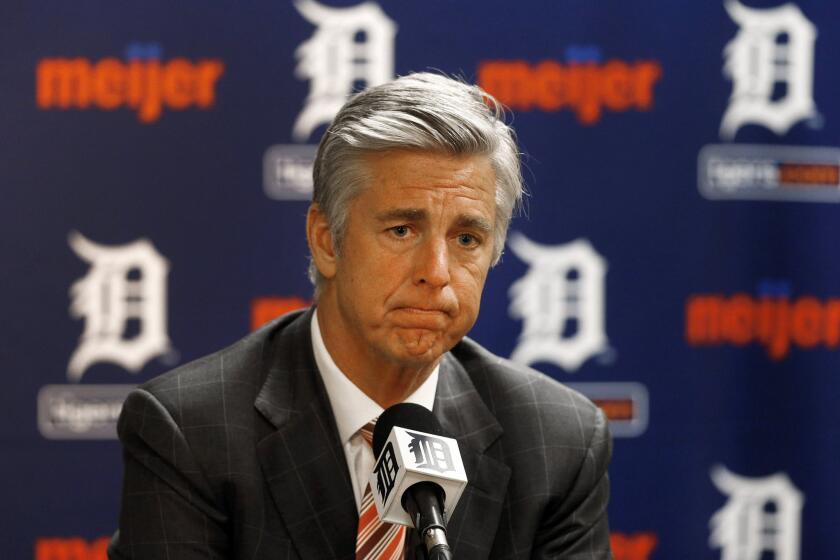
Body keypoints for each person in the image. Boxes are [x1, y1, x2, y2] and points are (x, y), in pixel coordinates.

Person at [108, 72, 613, 560]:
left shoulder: (557, 442)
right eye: (402, 230)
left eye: (466, 240)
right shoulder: (190, 433)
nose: (436, 272)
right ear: (327, 241)